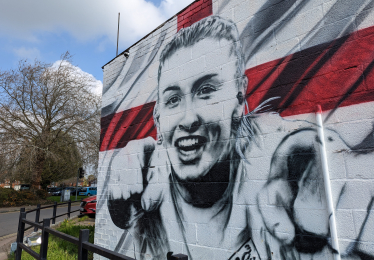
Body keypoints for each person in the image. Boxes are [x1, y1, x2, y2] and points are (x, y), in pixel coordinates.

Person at [105, 16, 374, 260]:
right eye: (173, 99)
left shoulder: (273, 150)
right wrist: (122, 193)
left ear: (239, 95)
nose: (188, 119)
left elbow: (306, 153)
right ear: (157, 116)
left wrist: (339, 173)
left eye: (206, 90)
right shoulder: (149, 178)